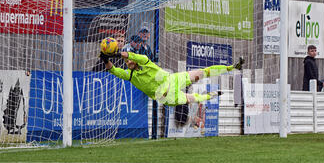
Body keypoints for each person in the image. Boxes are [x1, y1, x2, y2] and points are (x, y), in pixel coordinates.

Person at [99, 51, 244, 106]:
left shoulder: (144, 60)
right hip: (167, 97)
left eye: (129, 60)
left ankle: (232, 67)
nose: (128, 62)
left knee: (202, 72)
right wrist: (106, 60)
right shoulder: (130, 75)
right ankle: (212, 95)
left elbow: (132, 55)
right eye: (126, 62)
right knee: (193, 98)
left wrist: (116, 54)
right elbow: (113, 70)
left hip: (172, 79)